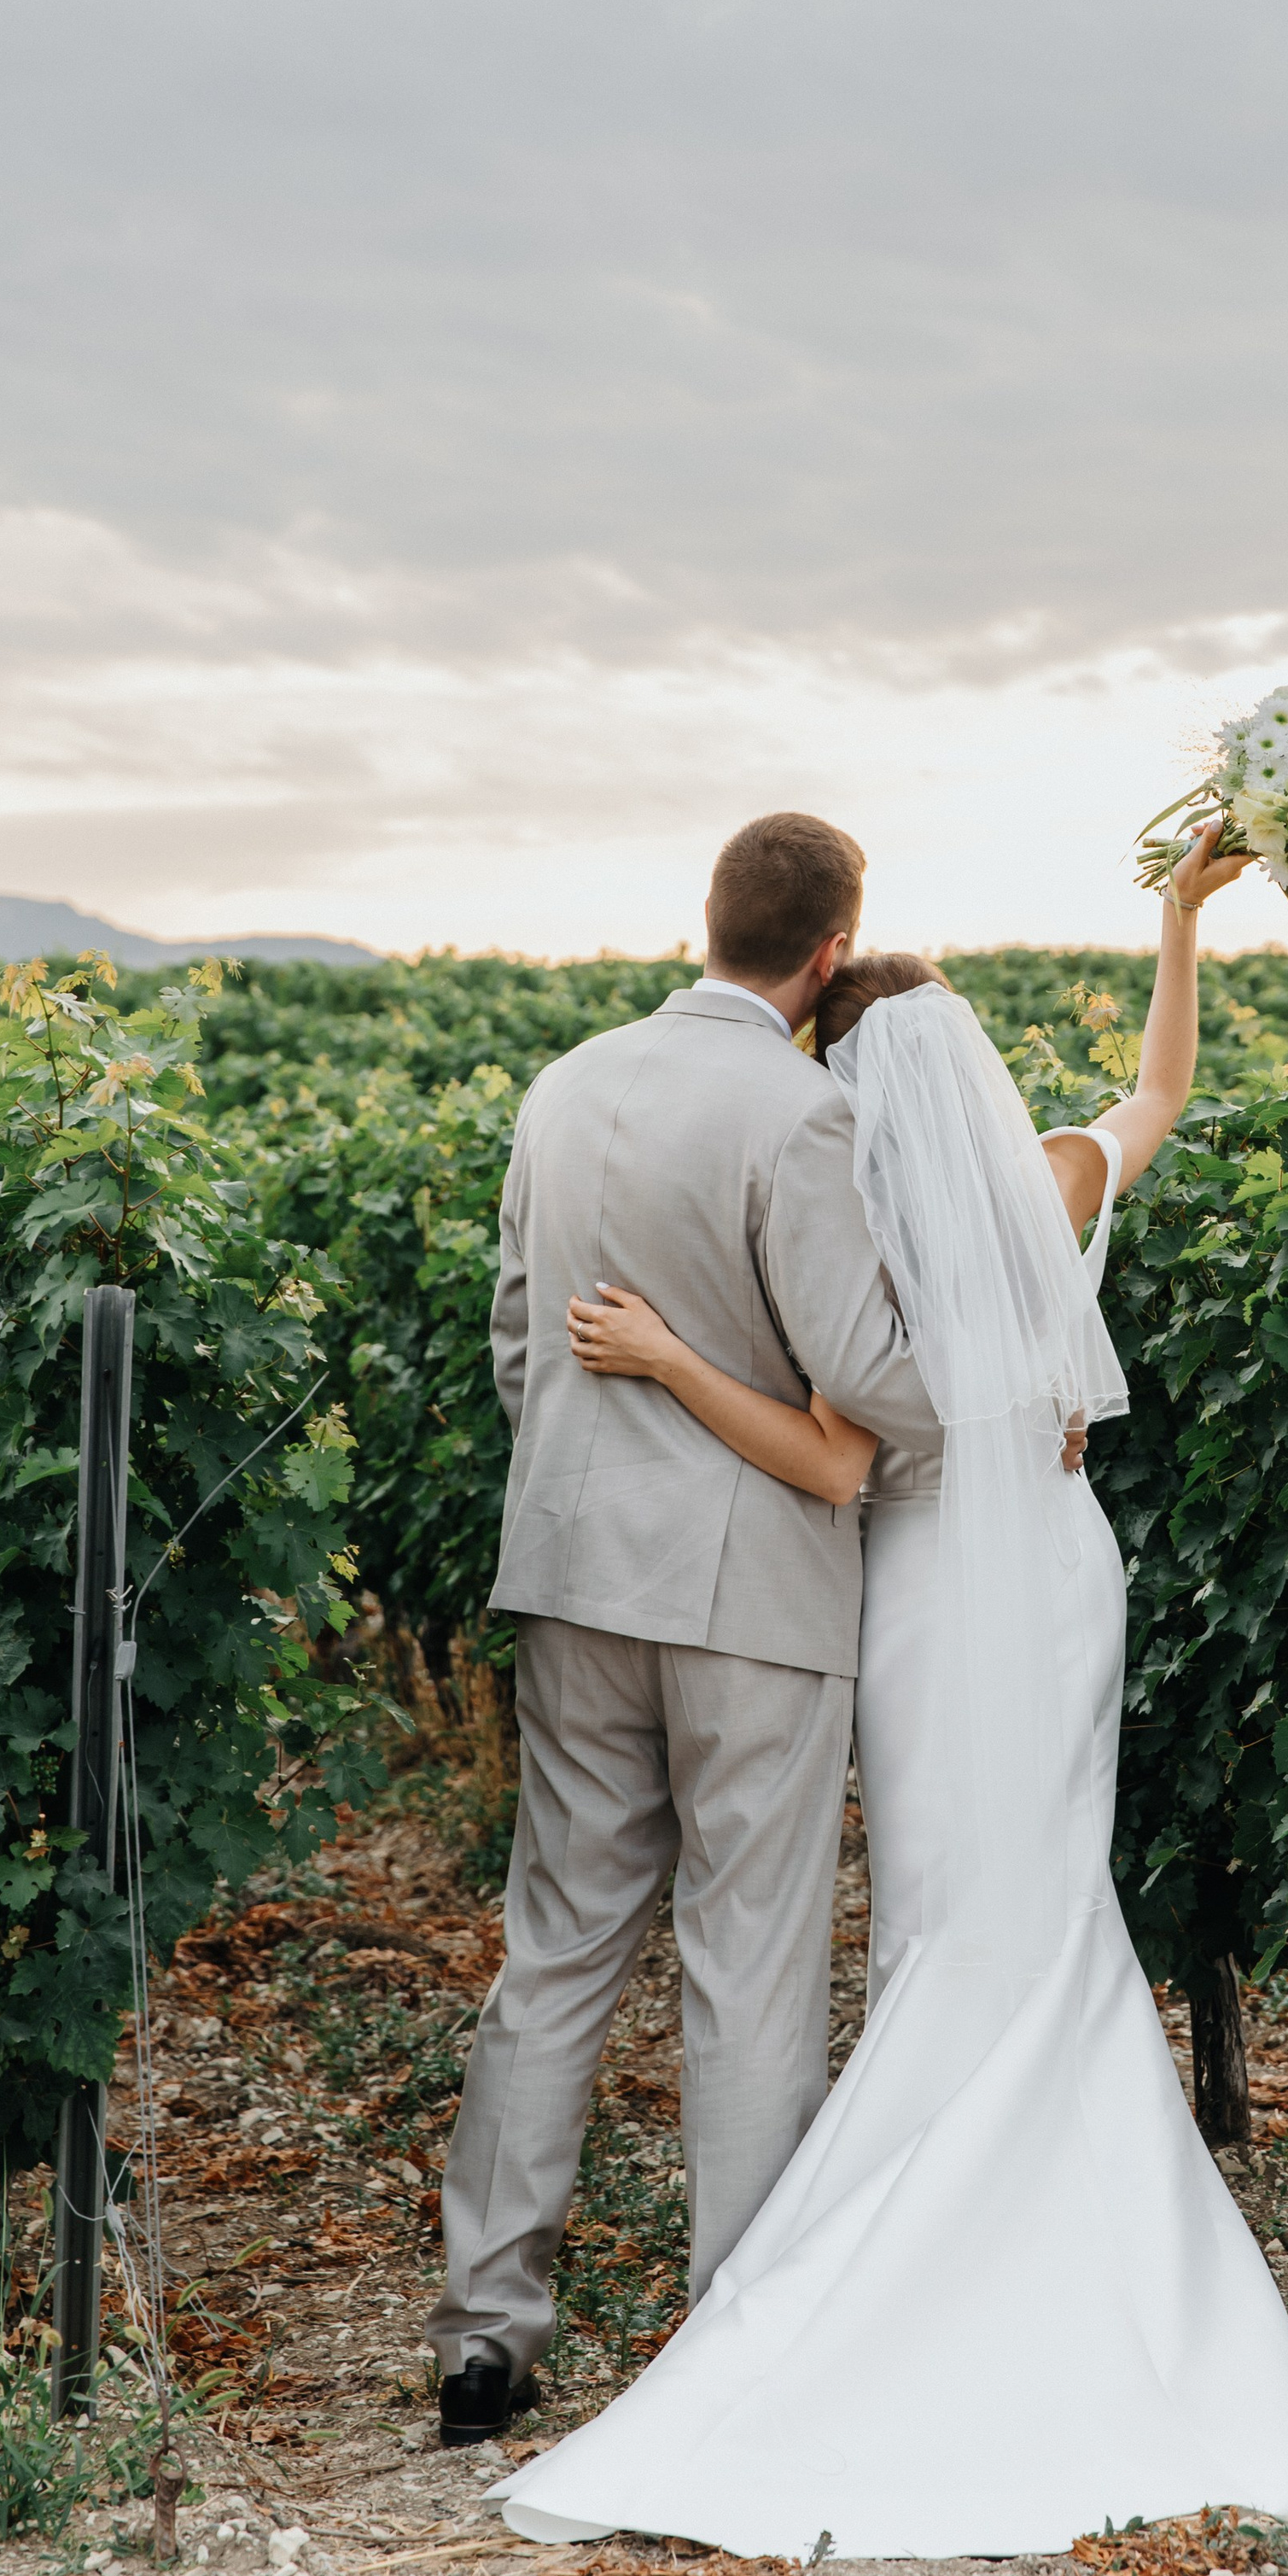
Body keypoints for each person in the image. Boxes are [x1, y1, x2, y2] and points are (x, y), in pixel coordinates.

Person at [488, 825, 1288, 2557]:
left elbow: (839, 1428)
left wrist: (658, 1362)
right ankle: (1014, 2205)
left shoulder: (861, 1220)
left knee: (925, 1913)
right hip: (1051, 1580)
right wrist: (1178, 927)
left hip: (898, 1594)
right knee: (1040, 1898)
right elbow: (1158, 1088)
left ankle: (805, 2243)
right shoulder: (1045, 1185)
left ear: (845, 1070)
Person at [424, 813, 945, 2446]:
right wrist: (992, 1398)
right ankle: (738, 2329)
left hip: (574, 1567)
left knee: (558, 1945)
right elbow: (868, 1384)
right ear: (830, 954)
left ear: (704, 921)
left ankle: (484, 2335)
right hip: (753, 1598)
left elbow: (523, 1344)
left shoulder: (563, 1086)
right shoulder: (801, 1113)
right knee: (751, 1959)